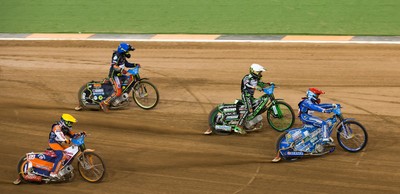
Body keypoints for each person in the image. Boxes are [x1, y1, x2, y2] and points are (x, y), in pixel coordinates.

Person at [99, 42, 140, 112]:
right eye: (127, 51)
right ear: (123, 50)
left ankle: (121, 98)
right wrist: (122, 70)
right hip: (114, 76)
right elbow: (114, 66)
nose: (128, 53)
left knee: (130, 79)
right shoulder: (117, 56)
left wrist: (135, 64)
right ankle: (105, 103)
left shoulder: (122, 56)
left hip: (120, 75)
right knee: (118, 92)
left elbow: (127, 64)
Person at [235, 63, 268, 134]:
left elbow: (261, 84)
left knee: (257, 106)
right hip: (246, 96)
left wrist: (269, 84)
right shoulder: (247, 77)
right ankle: (239, 126)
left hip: (251, 97)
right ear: (254, 71)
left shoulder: (256, 79)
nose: (260, 74)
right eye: (259, 72)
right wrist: (255, 87)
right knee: (249, 110)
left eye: (260, 72)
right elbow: (247, 84)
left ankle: (251, 123)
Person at [48, 113, 85, 178]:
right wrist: (65, 139)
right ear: (64, 122)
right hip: (53, 143)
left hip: (59, 143)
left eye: (71, 123)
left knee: (70, 153)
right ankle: (53, 173)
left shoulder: (65, 128)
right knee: (61, 155)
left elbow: (73, 135)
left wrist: (80, 134)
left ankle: (63, 167)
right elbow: (59, 133)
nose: (71, 124)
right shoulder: (57, 126)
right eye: (70, 123)